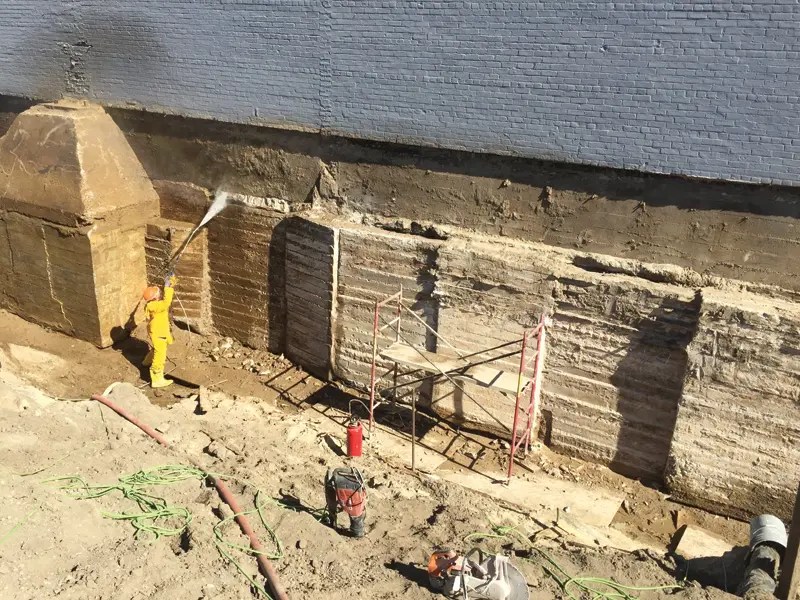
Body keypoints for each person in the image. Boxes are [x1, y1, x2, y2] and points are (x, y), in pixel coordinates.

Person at [142, 276, 177, 388]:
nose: (160, 294)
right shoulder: (156, 306)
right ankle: (157, 379)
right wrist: (168, 288)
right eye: (158, 293)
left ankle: (146, 362)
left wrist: (171, 281)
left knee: (157, 348)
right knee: (160, 356)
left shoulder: (151, 305)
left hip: (157, 332)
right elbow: (166, 302)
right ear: (154, 297)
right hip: (159, 333)